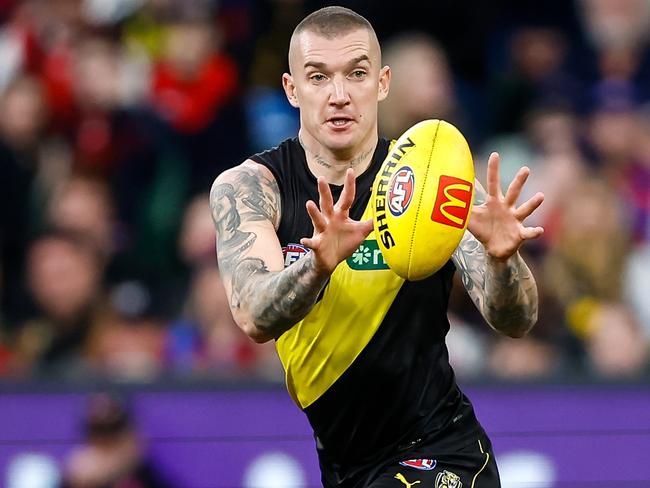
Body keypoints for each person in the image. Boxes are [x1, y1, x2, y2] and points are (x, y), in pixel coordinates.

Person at [210, 6, 544, 488]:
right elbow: (253, 315)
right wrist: (318, 266)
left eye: (357, 74)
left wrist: (502, 258)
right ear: (291, 89)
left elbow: (514, 320)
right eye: (318, 77)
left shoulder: (432, 185)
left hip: (441, 451)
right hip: (347, 465)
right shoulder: (252, 188)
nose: (339, 96)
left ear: (382, 83)